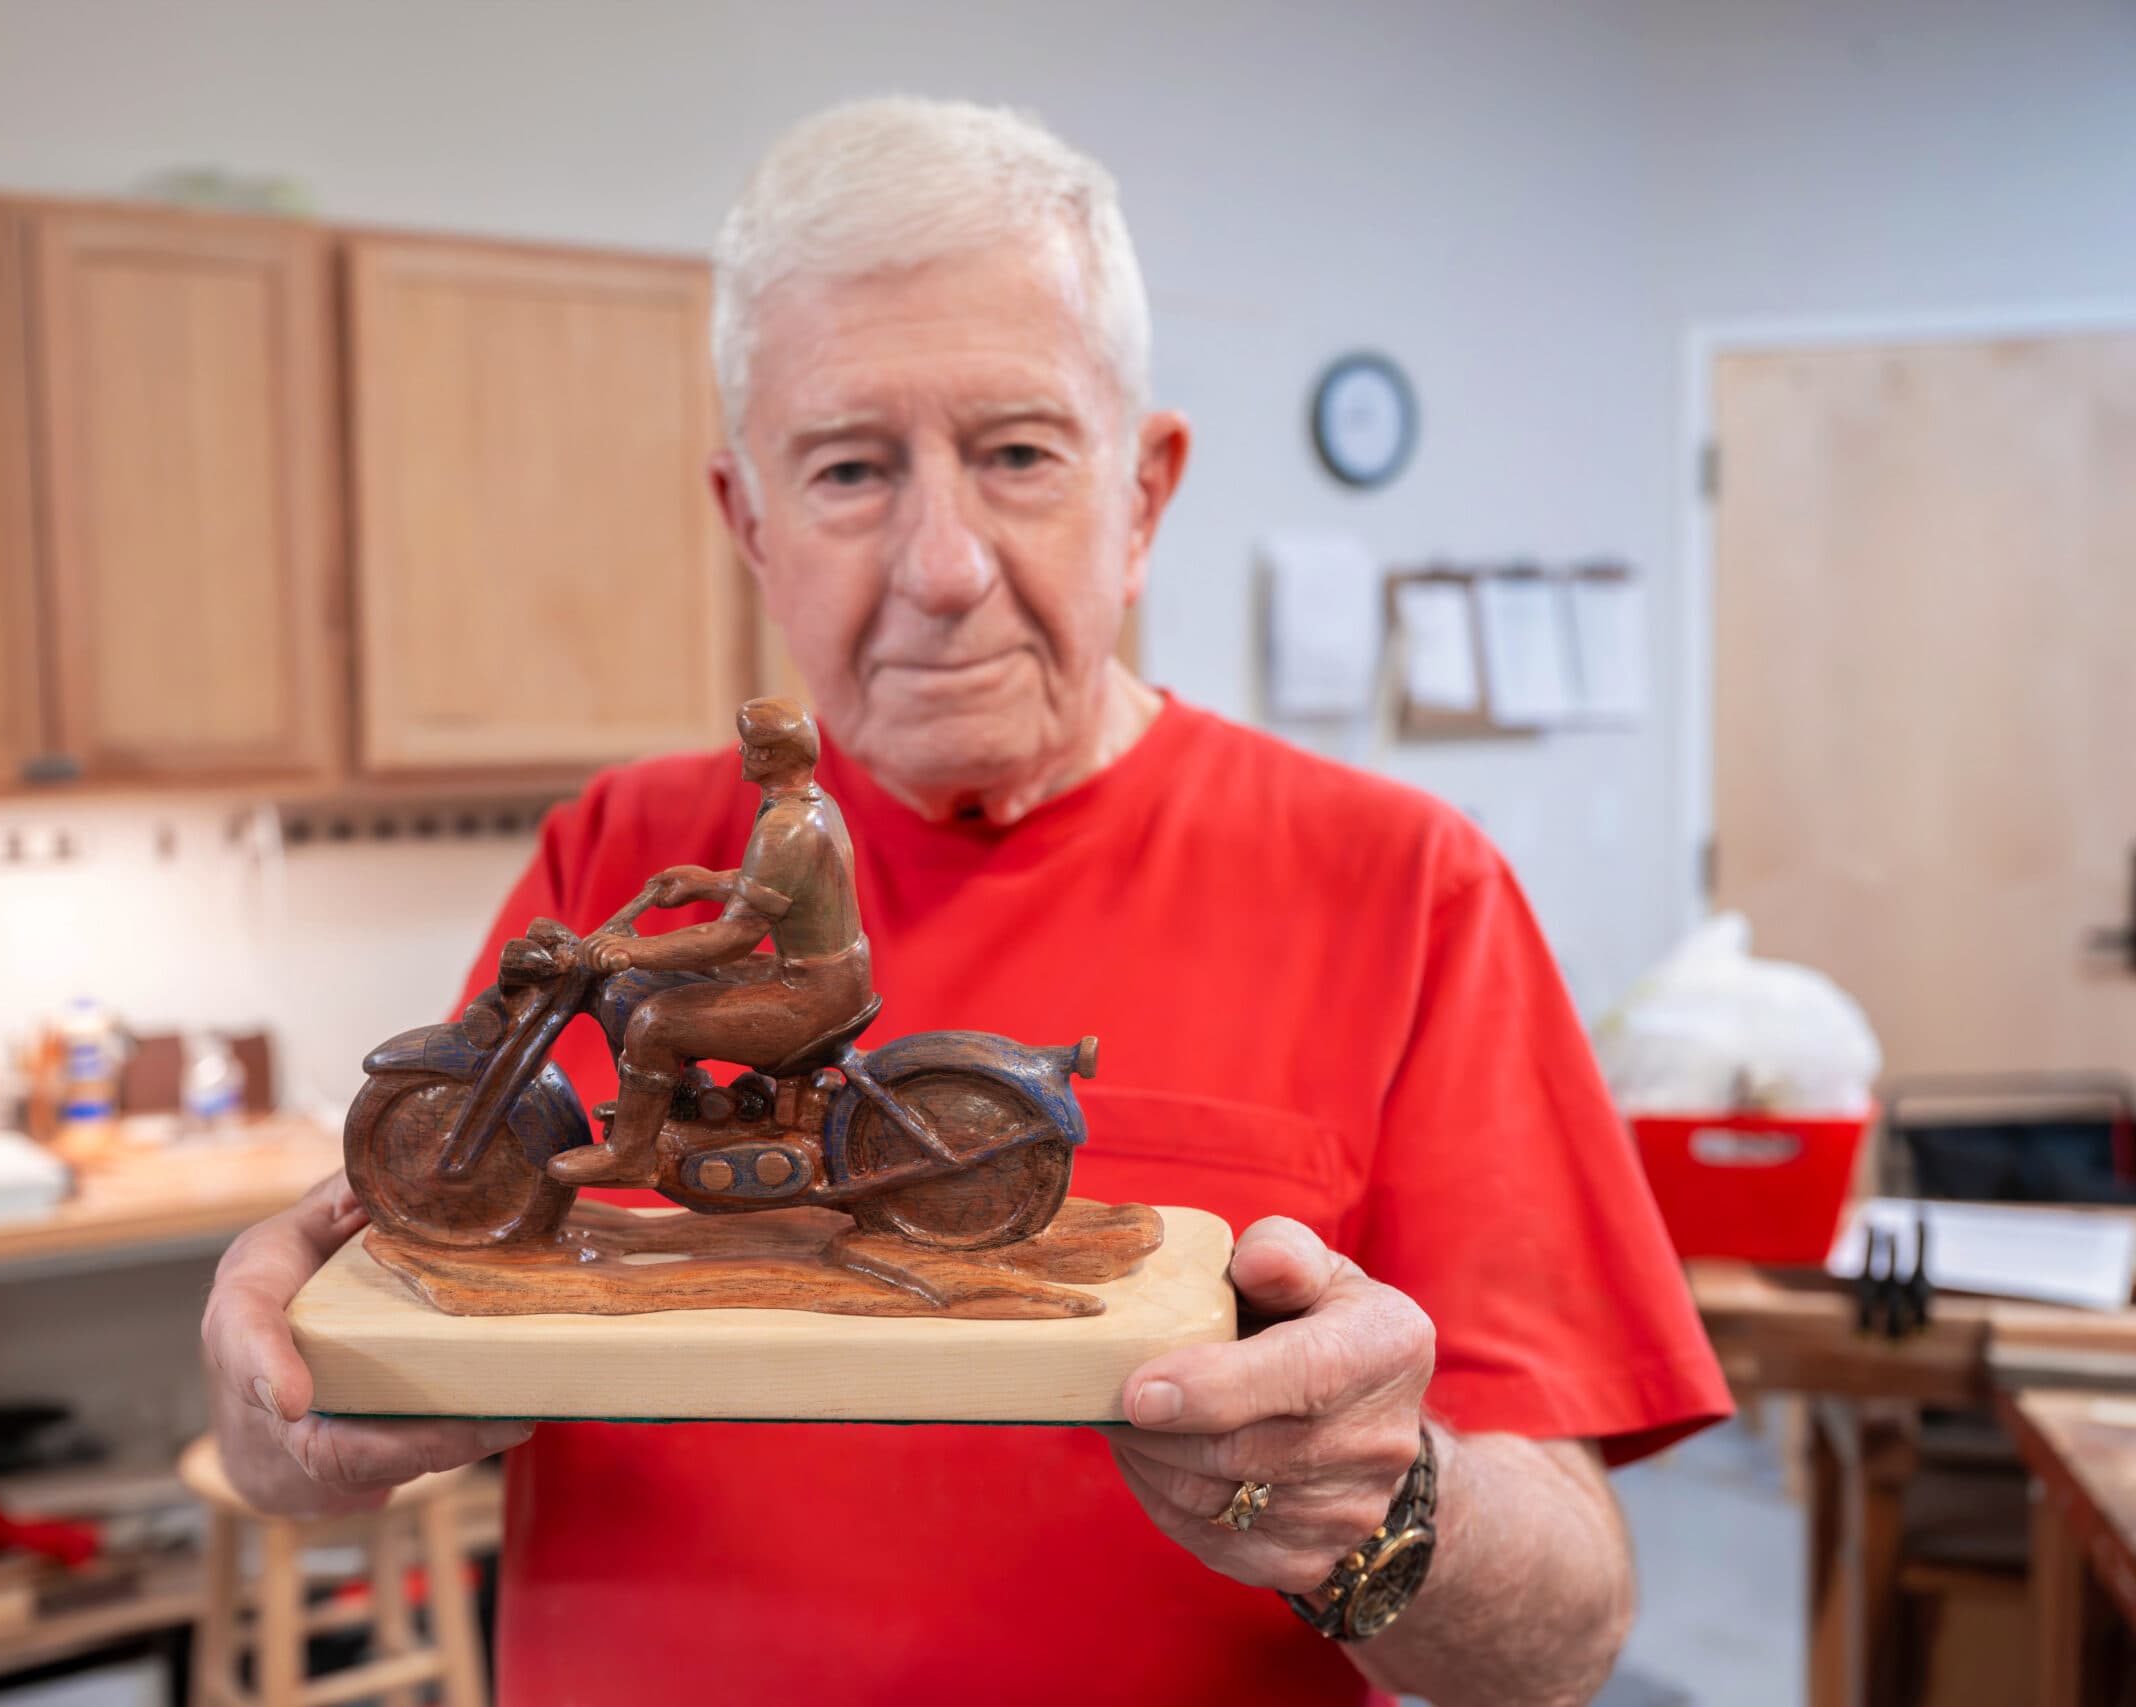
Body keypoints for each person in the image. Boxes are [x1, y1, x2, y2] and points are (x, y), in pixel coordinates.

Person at [203, 96, 1729, 1704]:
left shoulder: (1413, 886)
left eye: (1017, 454)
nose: (944, 564)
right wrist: (282, 1402)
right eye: (852, 469)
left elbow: (1568, 1633)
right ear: (750, 523)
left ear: (1142, 496)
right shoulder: (614, 834)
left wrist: (1392, 1502)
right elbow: (330, 1424)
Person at [547, 695, 873, 1186]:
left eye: (749, 747)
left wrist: (634, 951)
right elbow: (781, 886)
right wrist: (704, 882)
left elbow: (730, 939)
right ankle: (678, 1098)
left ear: (768, 757)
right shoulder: (811, 805)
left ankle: (631, 1154)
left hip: (811, 998)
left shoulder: (784, 826)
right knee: (670, 981)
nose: (741, 754)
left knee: (654, 1022)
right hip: (833, 980)